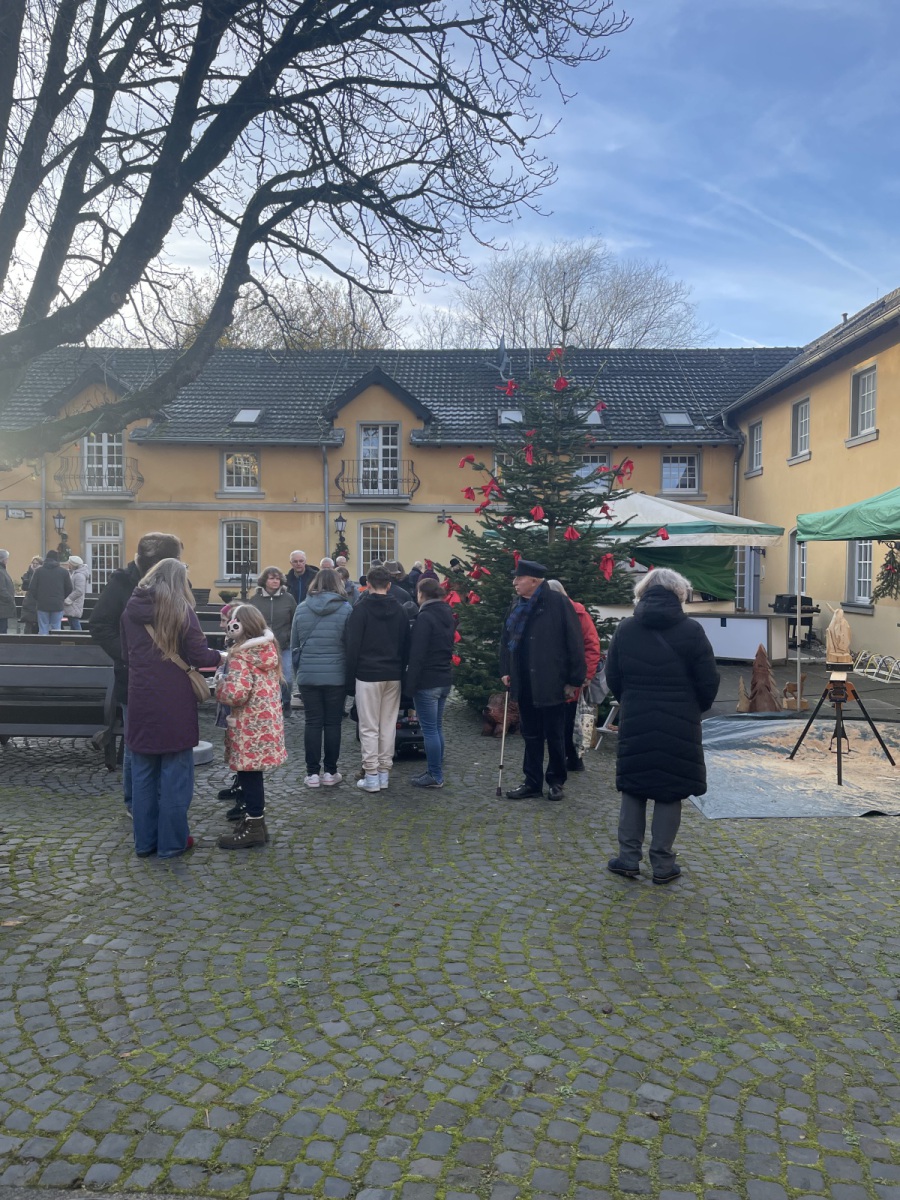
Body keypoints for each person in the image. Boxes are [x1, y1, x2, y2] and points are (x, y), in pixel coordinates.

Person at [605, 568, 719, 885]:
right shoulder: (692, 630)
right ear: (679, 594)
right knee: (671, 790)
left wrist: (631, 700)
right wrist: (693, 707)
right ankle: (663, 863)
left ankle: (628, 859)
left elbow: (613, 676)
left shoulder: (626, 629)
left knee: (633, 786)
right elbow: (708, 680)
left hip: (637, 715)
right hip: (680, 719)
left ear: (642, 593)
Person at [120, 558, 222, 858]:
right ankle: (172, 842)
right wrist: (222, 656)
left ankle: (144, 842)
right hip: (174, 698)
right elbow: (199, 654)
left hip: (141, 696)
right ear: (179, 581)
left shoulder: (130, 609)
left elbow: (126, 652)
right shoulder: (181, 609)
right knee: (176, 775)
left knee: (142, 775)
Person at [89, 532, 184, 814]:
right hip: (133, 677)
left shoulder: (175, 581)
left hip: (168, 678)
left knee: (164, 740)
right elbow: (99, 624)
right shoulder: (122, 583)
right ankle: (135, 802)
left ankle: (161, 798)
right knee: (135, 742)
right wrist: (128, 654)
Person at [499, 559, 585, 802]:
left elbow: (575, 642)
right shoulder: (516, 604)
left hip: (552, 681)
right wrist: (505, 669)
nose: (515, 582)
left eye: (519, 578)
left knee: (555, 735)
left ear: (534, 581)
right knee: (531, 734)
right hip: (524, 680)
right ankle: (532, 782)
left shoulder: (558, 603)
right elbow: (505, 640)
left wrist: (574, 680)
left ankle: (556, 781)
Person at [214, 604, 286, 848]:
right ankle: (257, 824)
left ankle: (254, 826)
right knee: (253, 774)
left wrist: (220, 685)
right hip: (264, 724)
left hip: (248, 725)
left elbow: (236, 695)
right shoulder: (266, 651)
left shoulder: (241, 656)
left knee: (249, 775)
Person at [344, 564, 411, 792]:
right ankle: (383, 773)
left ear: (368, 584)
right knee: (388, 726)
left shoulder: (360, 610)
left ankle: (371, 774)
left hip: (368, 674)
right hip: (393, 674)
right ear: (389, 585)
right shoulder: (400, 610)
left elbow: (352, 647)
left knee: (369, 727)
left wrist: (349, 680)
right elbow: (406, 644)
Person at [291, 567, 352, 787]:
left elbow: (294, 644)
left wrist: (299, 672)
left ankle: (312, 774)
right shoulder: (346, 609)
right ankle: (330, 772)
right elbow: (350, 644)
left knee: (313, 722)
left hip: (308, 674)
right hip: (337, 674)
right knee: (333, 723)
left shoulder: (302, 608)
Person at [405, 576, 456, 788]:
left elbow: (417, 654)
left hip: (427, 680)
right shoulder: (447, 614)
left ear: (421, 593)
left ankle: (435, 774)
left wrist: (410, 685)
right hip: (444, 677)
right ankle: (436, 767)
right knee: (437, 727)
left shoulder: (425, 617)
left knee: (429, 730)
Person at [546, 580, 601, 773]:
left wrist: (585, 676)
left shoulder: (579, 614)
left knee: (571, 722)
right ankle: (566, 759)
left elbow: (591, 646)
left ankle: (574, 758)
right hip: (551, 677)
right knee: (560, 723)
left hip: (573, 678)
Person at [246, 566, 297, 716]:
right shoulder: (255, 600)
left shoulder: (288, 598)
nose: (275, 581)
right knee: (263, 678)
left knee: (287, 678)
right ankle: (268, 705)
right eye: (272, 578)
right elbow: (249, 621)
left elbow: (295, 620)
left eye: (277, 578)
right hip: (262, 646)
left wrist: (290, 636)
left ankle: (286, 702)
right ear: (265, 580)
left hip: (284, 645)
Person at [26, 550, 73, 634]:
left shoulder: (39, 571)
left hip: (42, 603)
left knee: (43, 627)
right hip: (57, 603)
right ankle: (55, 641)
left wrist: (39, 598)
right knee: (56, 627)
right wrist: (61, 597)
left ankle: (44, 641)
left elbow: (32, 588)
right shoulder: (64, 572)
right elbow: (69, 588)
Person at [63, 555, 91, 630]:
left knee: (74, 621)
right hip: (74, 603)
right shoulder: (75, 573)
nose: (67, 564)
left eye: (69, 563)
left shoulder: (79, 575)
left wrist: (69, 599)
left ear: (73, 564)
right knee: (72, 621)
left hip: (74, 603)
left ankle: (80, 635)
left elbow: (79, 590)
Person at [0, 550, 16, 634]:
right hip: (2, 606)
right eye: (7, 558)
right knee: (2, 630)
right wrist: (10, 599)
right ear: (4, 559)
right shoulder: (1, 571)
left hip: (3, 607)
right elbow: (1, 589)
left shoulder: (2, 570)